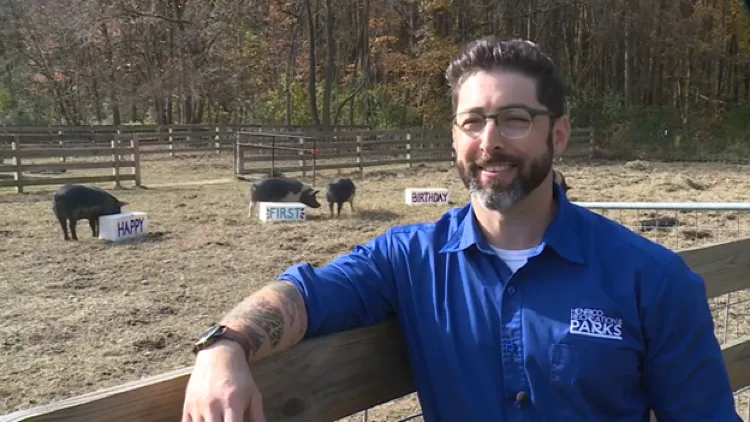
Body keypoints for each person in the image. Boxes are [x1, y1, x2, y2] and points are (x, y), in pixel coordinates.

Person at [181, 36, 740, 422]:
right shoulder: (409, 259)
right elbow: (303, 293)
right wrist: (224, 346)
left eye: (515, 119)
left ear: (559, 134)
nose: (490, 140)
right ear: (454, 137)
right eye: (472, 121)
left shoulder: (652, 279)